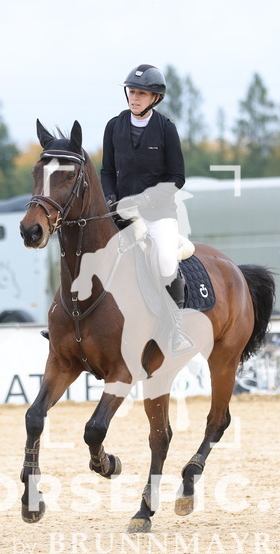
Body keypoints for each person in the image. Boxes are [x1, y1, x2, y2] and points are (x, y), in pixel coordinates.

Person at [101, 63, 192, 352]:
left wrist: (152, 197)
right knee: (87, 254)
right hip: (123, 214)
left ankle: (176, 328)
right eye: (132, 91)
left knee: (165, 261)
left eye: (141, 93)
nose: (134, 97)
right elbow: (106, 170)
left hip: (158, 214)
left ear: (155, 98)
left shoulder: (166, 130)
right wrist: (110, 197)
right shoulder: (114, 127)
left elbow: (177, 177)